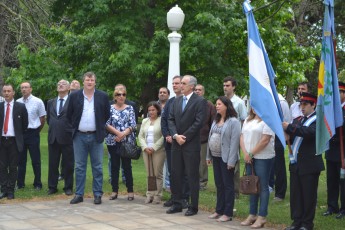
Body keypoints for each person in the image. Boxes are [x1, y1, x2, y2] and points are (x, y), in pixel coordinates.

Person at [67, 72, 110, 205]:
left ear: (95, 82)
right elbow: (69, 114)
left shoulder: (102, 96)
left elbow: (106, 114)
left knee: (97, 166)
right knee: (80, 166)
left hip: (96, 136)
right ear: (83, 82)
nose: (89, 82)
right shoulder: (74, 95)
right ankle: (79, 194)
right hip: (79, 136)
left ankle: (97, 194)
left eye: (92, 80)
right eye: (87, 80)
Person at [283, 92, 324, 230]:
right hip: (296, 164)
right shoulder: (298, 120)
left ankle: (307, 224)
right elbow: (293, 136)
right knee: (296, 196)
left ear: (313, 105)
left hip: (310, 164)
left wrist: (289, 127)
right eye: (301, 104)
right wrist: (286, 135)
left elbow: (307, 133)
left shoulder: (318, 120)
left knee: (308, 196)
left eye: (305, 104)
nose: (302, 107)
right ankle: (296, 222)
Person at [167, 75, 206, 216]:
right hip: (177, 144)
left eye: (183, 83)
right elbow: (170, 119)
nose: (180, 85)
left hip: (191, 146)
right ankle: (177, 203)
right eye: (180, 83)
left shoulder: (200, 101)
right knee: (176, 174)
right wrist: (176, 135)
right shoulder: (176, 101)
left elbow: (199, 122)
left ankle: (193, 206)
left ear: (191, 86)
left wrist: (186, 136)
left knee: (192, 176)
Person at [206, 96, 240, 222]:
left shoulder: (234, 122)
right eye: (216, 104)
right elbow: (211, 137)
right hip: (215, 156)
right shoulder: (216, 119)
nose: (217, 106)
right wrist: (208, 156)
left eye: (219, 104)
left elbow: (234, 143)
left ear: (227, 105)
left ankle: (228, 212)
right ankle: (219, 210)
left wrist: (231, 161)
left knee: (228, 185)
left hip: (226, 159)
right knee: (219, 184)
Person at [240, 108, 275, 228]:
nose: (254, 107)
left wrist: (251, 154)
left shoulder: (267, 120)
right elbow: (242, 137)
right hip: (248, 157)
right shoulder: (247, 120)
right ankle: (252, 214)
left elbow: (265, 140)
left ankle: (262, 216)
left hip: (263, 157)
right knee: (252, 185)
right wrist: (245, 153)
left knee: (262, 186)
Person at [161, 75, 190, 209]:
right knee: (173, 171)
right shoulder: (170, 102)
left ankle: (184, 198)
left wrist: (179, 136)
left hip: (184, 142)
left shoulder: (188, 101)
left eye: (177, 83)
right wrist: (168, 134)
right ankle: (174, 197)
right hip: (170, 142)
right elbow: (165, 120)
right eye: (173, 83)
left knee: (183, 172)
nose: (175, 86)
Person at [105, 87, 136, 201]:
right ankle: (114, 191)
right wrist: (117, 134)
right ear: (115, 97)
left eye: (123, 94)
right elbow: (106, 123)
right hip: (113, 141)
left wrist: (123, 134)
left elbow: (133, 124)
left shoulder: (130, 108)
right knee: (114, 166)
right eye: (118, 94)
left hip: (126, 142)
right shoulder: (110, 108)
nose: (121, 96)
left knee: (127, 167)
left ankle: (130, 191)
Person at [0, 84, 28, 199]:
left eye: (9, 91)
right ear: (2, 93)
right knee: (1, 167)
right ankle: (4, 189)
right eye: (4, 91)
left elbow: (25, 125)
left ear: (13, 93)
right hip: (2, 141)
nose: (6, 93)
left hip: (14, 141)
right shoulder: (0, 106)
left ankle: (11, 190)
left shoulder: (20, 107)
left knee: (12, 167)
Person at [16, 82, 46, 190]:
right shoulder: (17, 102)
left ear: (31, 89)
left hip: (33, 133)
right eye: (22, 88)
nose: (24, 89)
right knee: (21, 160)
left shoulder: (38, 101)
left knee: (36, 160)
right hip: (21, 134)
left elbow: (42, 118)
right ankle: (20, 184)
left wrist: (37, 130)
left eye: (26, 87)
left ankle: (37, 183)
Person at [47, 79, 74, 196]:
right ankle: (52, 187)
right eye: (58, 84)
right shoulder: (50, 102)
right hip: (53, 137)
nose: (60, 85)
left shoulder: (73, 102)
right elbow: (49, 119)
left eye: (63, 84)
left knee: (68, 164)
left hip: (68, 137)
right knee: (53, 164)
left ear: (69, 88)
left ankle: (68, 187)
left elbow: (75, 119)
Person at [323, 81, 345, 219]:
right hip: (331, 150)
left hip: (343, 152)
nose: (336, 96)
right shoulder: (331, 109)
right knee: (331, 180)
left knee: (343, 182)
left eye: (340, 93)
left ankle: (344, 208)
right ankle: (332, 206)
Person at [223, 76, 247, 199]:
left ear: (233, 87)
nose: (225, 88)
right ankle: (224, 189)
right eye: (224, 85)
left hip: (234, 137)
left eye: (228, 85)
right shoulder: (221, 101)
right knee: (223, 162)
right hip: (223, 138)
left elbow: (244, 120)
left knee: (234, 163)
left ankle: (235, 192)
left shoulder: (239, 102)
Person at [139, 101, 165, 204]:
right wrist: (145, 147)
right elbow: (140, 136)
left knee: (157, 173)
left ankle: (158, 195)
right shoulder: (145, 121)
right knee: (149, 173)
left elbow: (164, 136)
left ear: (158, 110)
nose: (151, 112)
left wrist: (154, 147)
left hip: (158, 151)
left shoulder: (162, 120)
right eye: (149, 110)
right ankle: (150, 194)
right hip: (146, 151)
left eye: (153, 110)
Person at [270, 79, 292, 200]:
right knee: (268, 165)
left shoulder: (281, 101)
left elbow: (286, 121)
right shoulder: (265, 99)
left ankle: (280, 192)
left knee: (278, 165)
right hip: (266, 135)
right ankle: (268, 187)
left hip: (278, 136)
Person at [194, 84, 216, 190]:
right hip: (191, 138)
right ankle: (194, 181)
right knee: (193, 161)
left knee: (203, 162)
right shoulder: (191, 104)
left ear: (203, 92)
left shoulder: (209, 105)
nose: (197, 91)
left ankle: (202, 183)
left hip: (204, 138)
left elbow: (213, 122)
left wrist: (211, 137)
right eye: (195, 90)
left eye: (199, 90)